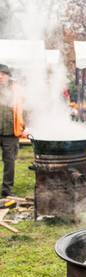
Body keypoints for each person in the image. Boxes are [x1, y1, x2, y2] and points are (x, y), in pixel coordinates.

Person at [0, 64, 24, 198]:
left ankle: (6, 190)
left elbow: (25, 107)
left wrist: (24, 125)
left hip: (11, 132)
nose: (0, 76)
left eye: (3, 74)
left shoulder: (16, 89)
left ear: (8, 76)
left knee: (9, 162)